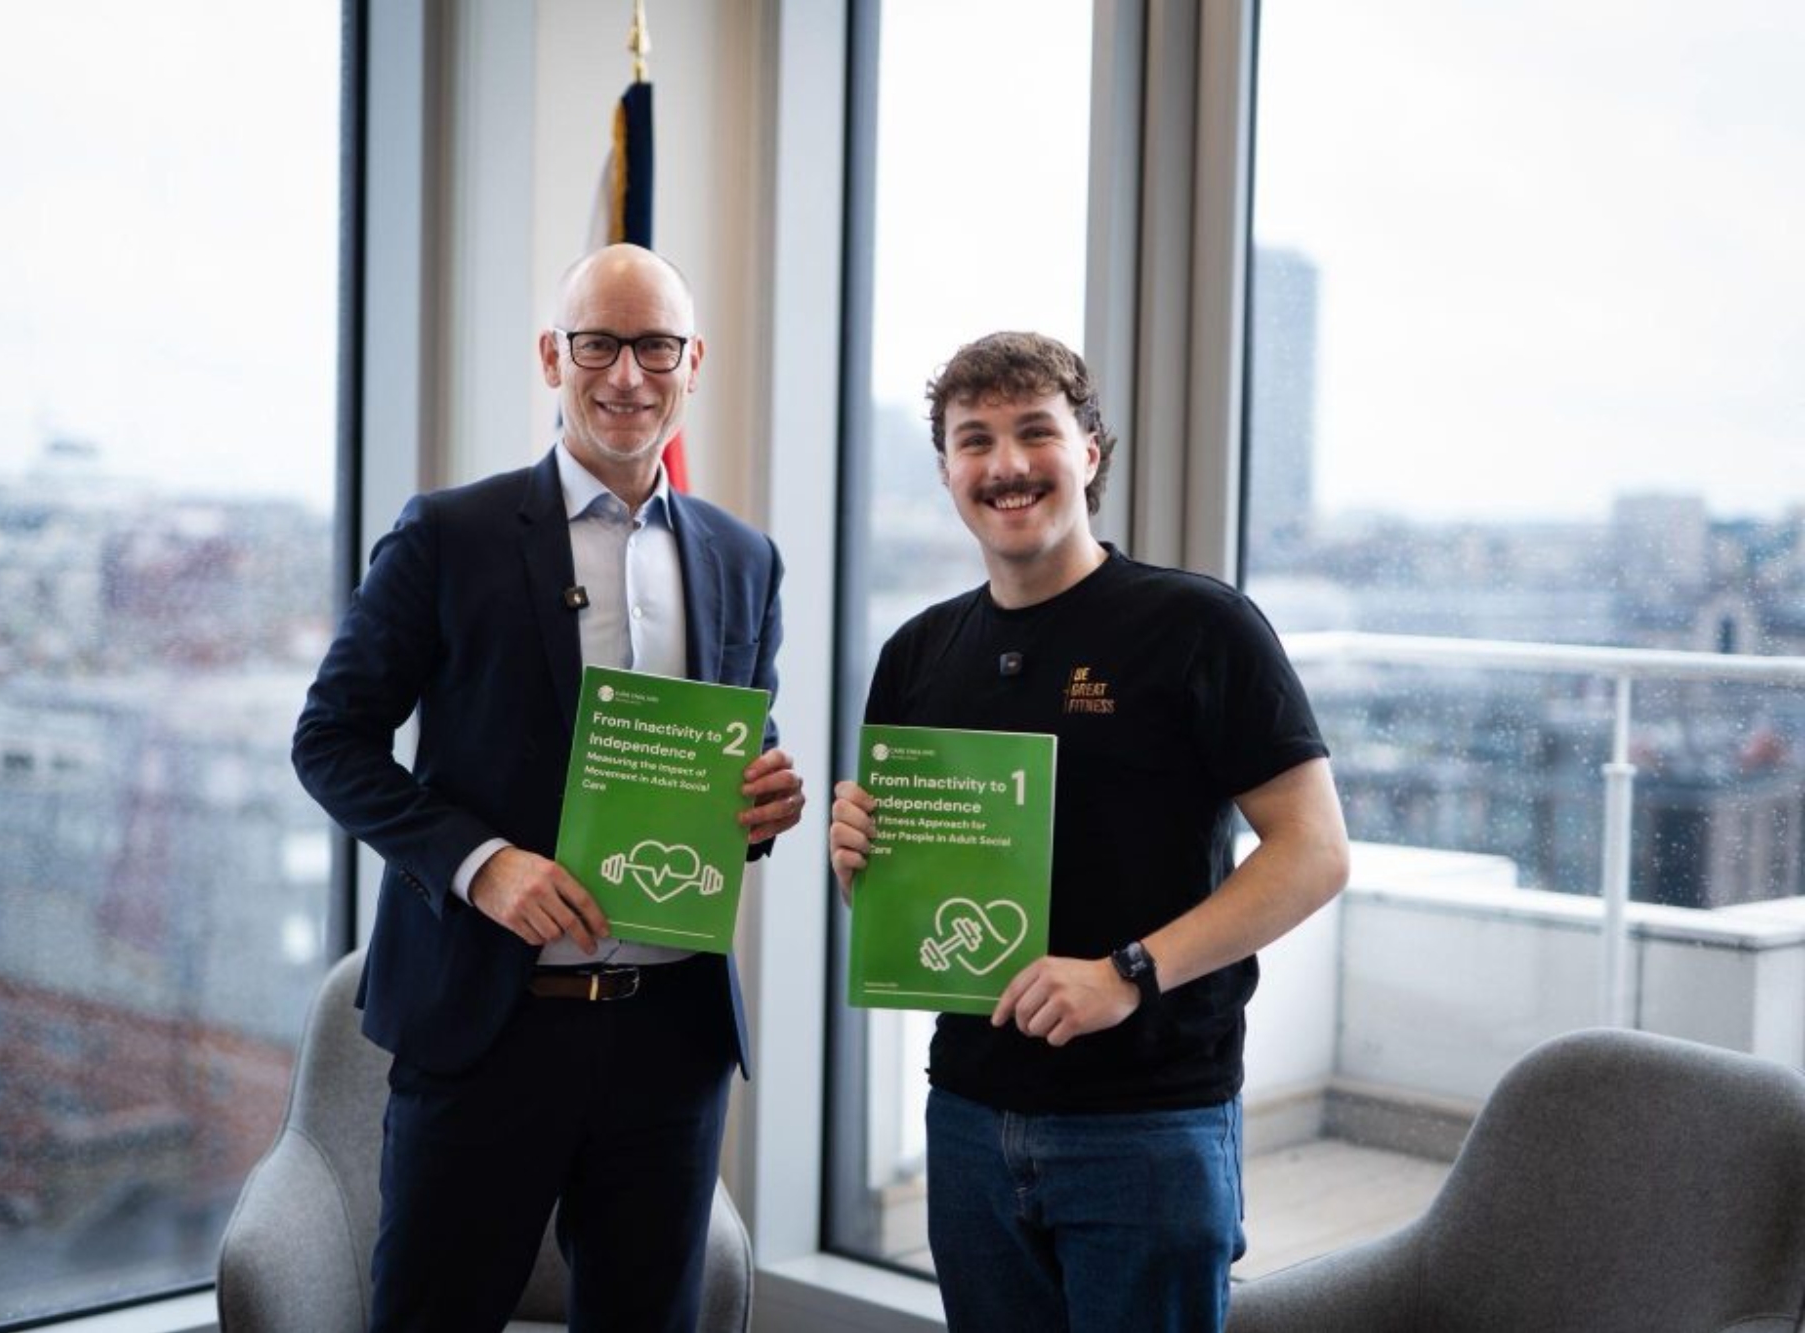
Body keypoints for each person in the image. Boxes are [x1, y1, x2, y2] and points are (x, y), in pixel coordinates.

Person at [294, 243, 806, 1333]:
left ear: (693, 362)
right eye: (598, 344)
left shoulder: (744, 557)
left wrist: (762, 805)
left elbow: (734, 759)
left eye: (655, 346)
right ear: (550, 357)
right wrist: (482, 867)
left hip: (668, 1043)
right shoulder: (449, 534)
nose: (626, 374)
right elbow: (329, 741)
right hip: (486, 1028)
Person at [827, 332, 1349, 1332]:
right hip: (969, 1114)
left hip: (1146, 1122)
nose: (1006, 464)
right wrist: (862, 865)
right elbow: (909, 901)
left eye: (1035, 432)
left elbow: (1313, 851)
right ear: (945, 470)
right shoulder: (917, 652)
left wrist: (1126, 973)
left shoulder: (1199, 626)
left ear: (1089, 452)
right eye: (974, 440)